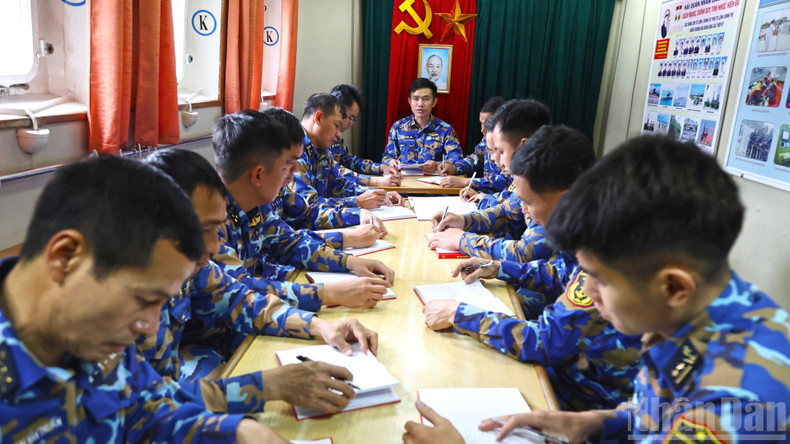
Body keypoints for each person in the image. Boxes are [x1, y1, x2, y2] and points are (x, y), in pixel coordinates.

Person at [451, 136, 790, 442]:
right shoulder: (685, 311)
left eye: (601, 279)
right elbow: (652, 415)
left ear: (673, 286)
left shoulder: (736, 401)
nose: (586, 290)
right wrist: (595, 422)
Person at [0, 156, 284, 442]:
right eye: (143, 300)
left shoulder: (95, 331)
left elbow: (148, 412)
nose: (150, 327)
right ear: (66, 258)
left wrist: (239, 432)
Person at [139, 148, 380, 414]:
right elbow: (144, 408)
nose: (213, 246)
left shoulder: (189, 267)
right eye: (203, 230)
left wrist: (322, 326)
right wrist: (267, 387)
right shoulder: (120, 307)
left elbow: (243, 301)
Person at [421, 125, 642, 413]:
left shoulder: (607, 251)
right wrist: (500, 268)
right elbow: (563, 274)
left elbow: (544, 341)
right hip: (567, 382)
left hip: (581, 402)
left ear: (566, 196)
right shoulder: (590, 228)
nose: (523, 211)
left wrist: (458, 314)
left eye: (528, 202)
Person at [211, 110, 394, 313]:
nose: (293, 173)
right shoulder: (209, 221)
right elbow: (240, 293)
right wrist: (328, 293)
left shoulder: (256, 202)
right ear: (258, 174)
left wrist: (350, 262)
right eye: (286, 165)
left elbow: (289, 242)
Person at [431, 99, 552, 254]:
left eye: (500, 151)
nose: (495, 159)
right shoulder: (528, 175)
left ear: (524, 146)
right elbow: (506, 213)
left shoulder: (548, 182)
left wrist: (461, 240)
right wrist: (462, 220)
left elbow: (525, 253)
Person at [294, 93, 402, 209]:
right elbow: (306, 206)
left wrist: (379, 195)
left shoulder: (322, 150)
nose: (339, 135)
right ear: (318, 118)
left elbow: (339, 186)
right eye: (336, 125)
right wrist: (357, 202)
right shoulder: (293, 149)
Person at [382, 78, 464, 174]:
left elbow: (457, 158)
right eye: (415, 99)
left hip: (434, 179)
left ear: (434, 102)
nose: (420, 104)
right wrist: (390, 162)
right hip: (403, 178)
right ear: (409, 101)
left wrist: (437, 165)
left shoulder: (446, 129)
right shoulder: (397, 127)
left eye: (426, 99)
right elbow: (387, 157)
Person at [328, 84, 402, 187]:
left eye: (354, 119)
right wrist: (374, 181)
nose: (351, 123)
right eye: (350, 117)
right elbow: (334, 171)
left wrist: (381, 167)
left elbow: (350, 161)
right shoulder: (318, 139)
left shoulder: (337, 138)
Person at [438, 96, 510, 190]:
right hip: (482, 195)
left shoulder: (511, 143)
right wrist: (454, 168)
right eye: (481, 123)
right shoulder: (486, 139)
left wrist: (466, 182)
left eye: (487, 124)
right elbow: (475, 158)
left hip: (500, 197)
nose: (482, 129)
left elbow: (507, 179)